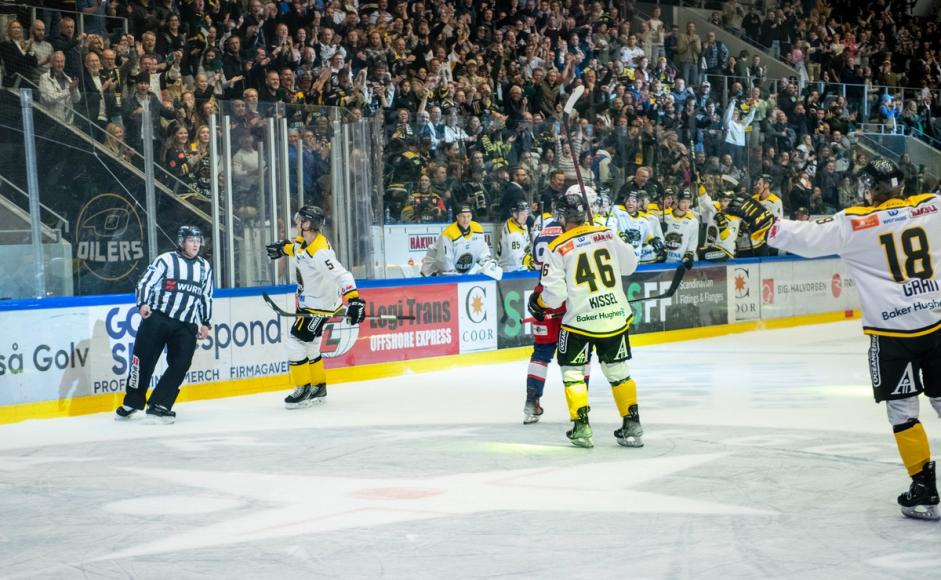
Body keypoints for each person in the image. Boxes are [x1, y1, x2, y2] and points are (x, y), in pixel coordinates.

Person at [730, 158, 941, 521]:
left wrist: (764, 220)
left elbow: (805, 238)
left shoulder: (853, 224)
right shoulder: (934, 207)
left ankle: (923, 487)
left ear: (870, 189)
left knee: (903, 411)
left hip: (893, 336)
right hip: (938, 324)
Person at [527, 193, 643, 449]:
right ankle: (632, 424)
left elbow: (555, 296)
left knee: (573, 373)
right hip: (615, 317)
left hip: (579, 321)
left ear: (561, 216)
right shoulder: (607, 234)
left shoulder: (556, 247)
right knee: (619, 373)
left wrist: (540, 304)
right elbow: (631, 265)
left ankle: (581, 428)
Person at [265, 206, 366, 409]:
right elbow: (297, 249)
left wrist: (354, 300)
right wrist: (283, 248)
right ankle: (318, 387)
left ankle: (303, 390)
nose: (296, 222)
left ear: (308, 224)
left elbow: (343, 275)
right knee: (310, 345)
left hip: (318, 307)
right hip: (314, 303)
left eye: (300, 220)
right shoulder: (307, 242)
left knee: (294, 344)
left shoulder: (320, 252)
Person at [115, 226, 213, 424]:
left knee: (181, 363)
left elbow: (206, 296)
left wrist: (205, 322)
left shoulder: (204, 267)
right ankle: (133, 401)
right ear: (181, 242)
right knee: (142, 361)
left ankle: (160, 404)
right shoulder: (166, 260)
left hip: (186, 325)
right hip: (158, 319)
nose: (195, 244)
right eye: (191, 240)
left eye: (198, 240)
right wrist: (143, 303)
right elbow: (145, 283)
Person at [420, 205, 501, 278]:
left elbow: (482, 251)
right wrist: (457, 277)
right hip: (433, 271)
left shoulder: (478, 229)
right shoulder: (449, 233)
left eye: (468, 216)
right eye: (463, 216)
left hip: (457, 271)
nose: (466, 220)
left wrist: (488, 263)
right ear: (457, 217)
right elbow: (445, 262)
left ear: (471, 217)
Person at [697, 189, 741, 261]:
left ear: (732, 202)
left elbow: (727, 239)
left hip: (725, 252)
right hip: (711, 247)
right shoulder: (716, 209)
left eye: (726, 201)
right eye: (721, 200)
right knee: (696, 255)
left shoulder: (735, 219)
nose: (722, 203)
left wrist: (722, 225)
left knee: (698, 255)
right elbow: (705, 201)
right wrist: (700, 185)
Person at [661, 189, 699, 263]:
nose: (686, 205)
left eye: (688, 202)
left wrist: (690, 254)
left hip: (682, 259)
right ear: (677, 201)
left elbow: (693, 242)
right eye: (683, 202)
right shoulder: (665, 216)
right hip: (666, 259)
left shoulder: (693, 221)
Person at [499, 201, 533, 272]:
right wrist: (532, 262)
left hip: (514, 265)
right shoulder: (513, 234)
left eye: (526, 213)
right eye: (522, 214)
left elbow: (525, 247)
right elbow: (518, 257)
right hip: (510, 269)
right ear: (514, 214)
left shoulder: (513, 222)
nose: (525, 217)